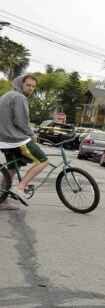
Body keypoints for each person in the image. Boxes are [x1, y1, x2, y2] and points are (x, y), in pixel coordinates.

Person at [0, 74, 49, 209]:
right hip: (15, 139)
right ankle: (20, 188)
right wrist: (32, 134)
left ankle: (3, 201)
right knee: (44, 160)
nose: (31, 88)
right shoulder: (19, 97)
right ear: (20, 83)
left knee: (11, 169)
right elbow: (21, 122)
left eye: (33, 86)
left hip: (4, 139)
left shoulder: (7, 95)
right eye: (28, 85)